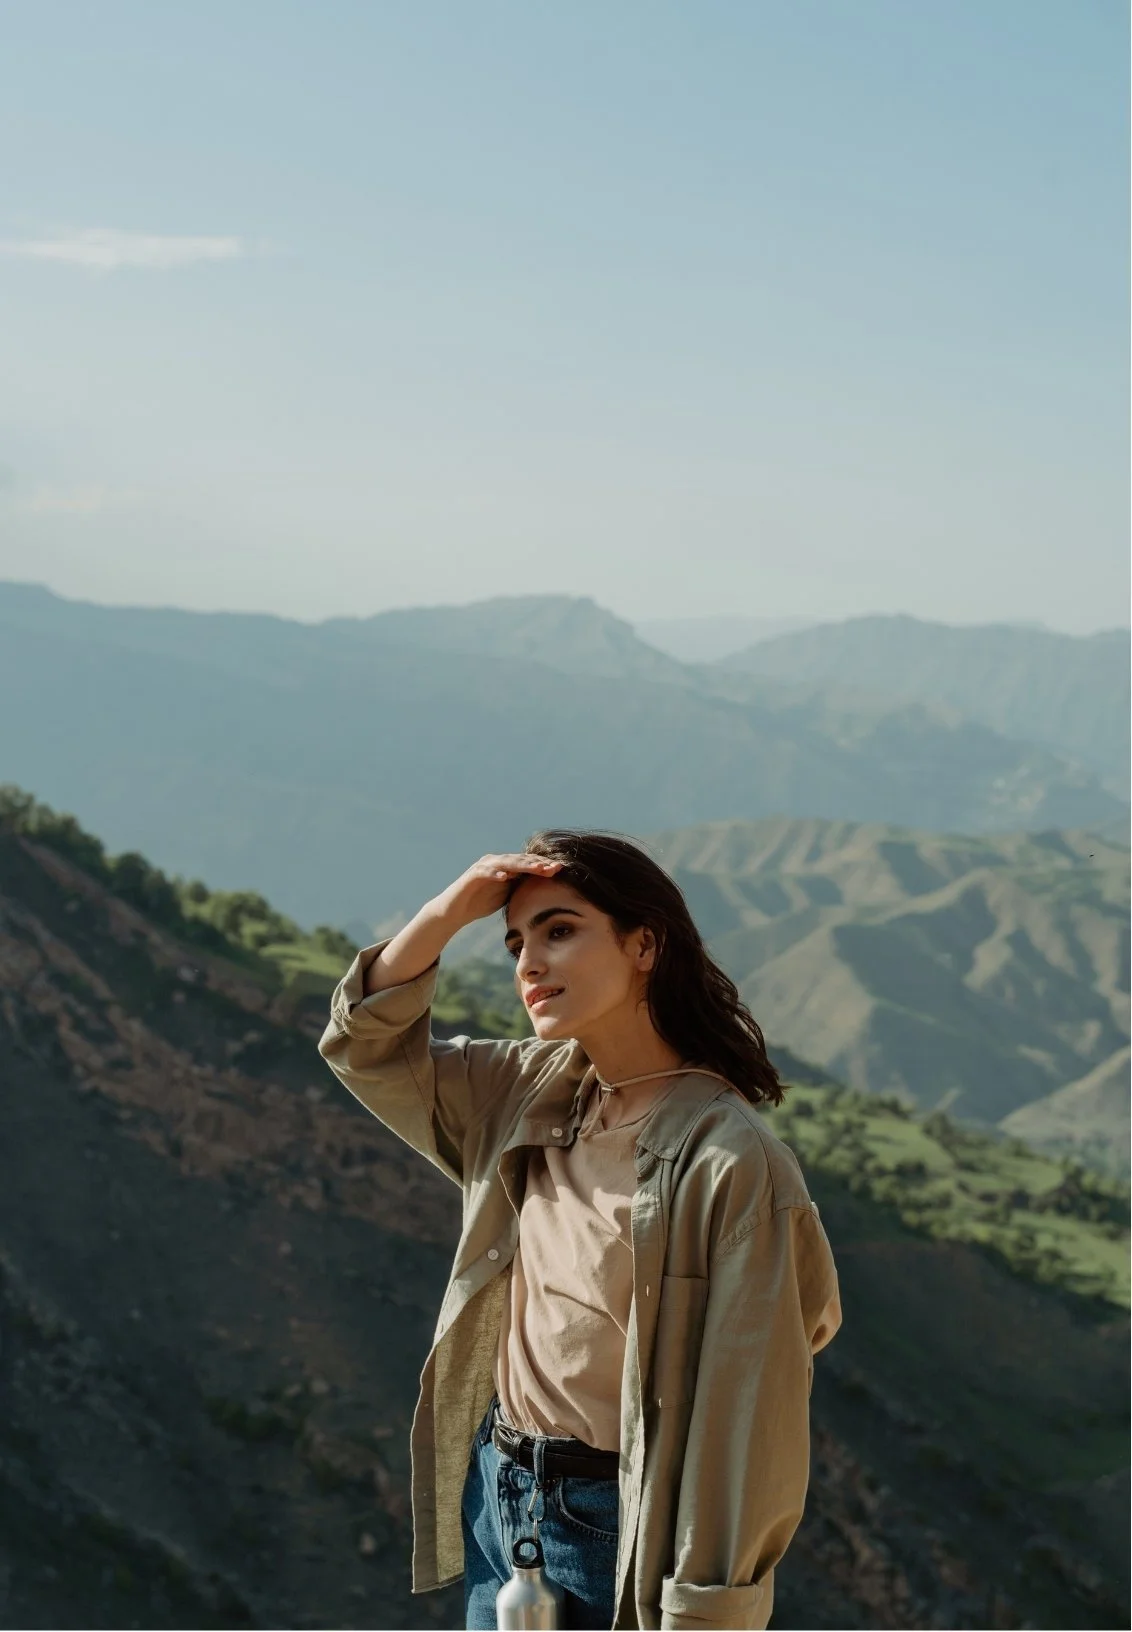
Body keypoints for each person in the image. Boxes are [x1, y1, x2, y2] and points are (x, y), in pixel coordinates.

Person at [318, 830, 841, 1631]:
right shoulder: (531, 1090)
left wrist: (704, 1615)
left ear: (644, 945)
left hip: (612, 1529)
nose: (529, 962)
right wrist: (446, 911)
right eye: (515, 943)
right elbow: (367, 1045)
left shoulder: (728, 1163)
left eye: (560, 931)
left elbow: (751, 1429)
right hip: (501, 1496)